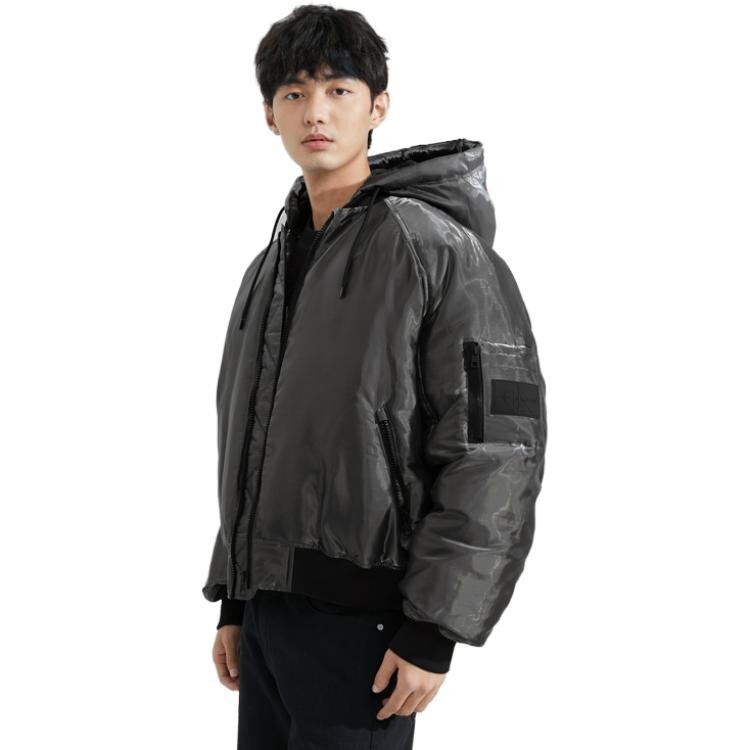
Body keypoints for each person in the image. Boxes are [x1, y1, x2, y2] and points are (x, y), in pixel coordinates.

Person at [204, 5, 548, 748]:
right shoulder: (268, 269)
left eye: (339, 90)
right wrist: (235, 596)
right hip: (266, 621)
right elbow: (252, 439)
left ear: (378, 107)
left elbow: (496, 448)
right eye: (294, 93)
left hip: (372, 628)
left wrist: (435, 627)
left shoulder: (437, 250)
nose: (315, 112)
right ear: (269, 115)